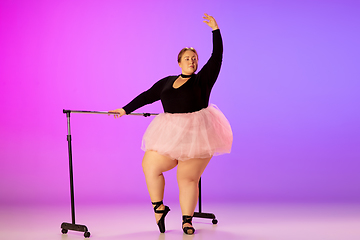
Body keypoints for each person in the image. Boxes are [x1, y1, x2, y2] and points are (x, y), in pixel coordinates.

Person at [109, 13, 232, 235]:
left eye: (194, 58)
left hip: (197, 134)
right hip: (171, 134)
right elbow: (147, 96)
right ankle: (159, 208)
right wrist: (125, 109)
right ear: (178, 62)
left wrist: (216, 31)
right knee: (150, 165)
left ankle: (187, 221)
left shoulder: (202, 79)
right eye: (187, 58)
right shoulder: (166, 82)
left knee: (186, 178)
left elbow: (217, 56)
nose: (192, 61)